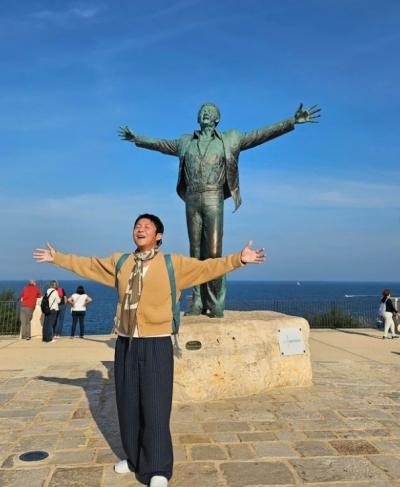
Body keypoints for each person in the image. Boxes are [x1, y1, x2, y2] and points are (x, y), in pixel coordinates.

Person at [33, 213, 265, 487]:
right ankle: (133, 459)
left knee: (155, 406)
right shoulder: (121, 262)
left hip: (157, 341)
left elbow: (206, 269)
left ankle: (157, 468)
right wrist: (58, 258)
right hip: (126, 341)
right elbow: (89, 265)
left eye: (147, 227)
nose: (140, 230)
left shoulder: (172, 263)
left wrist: (238, 259)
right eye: (137, 226)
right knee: (127, 404)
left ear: (158, 236)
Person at [118, 102, 320, 318]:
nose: (205, 113)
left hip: (214, 196)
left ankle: (215, 302)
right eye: (202, 111)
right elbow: (161, 144)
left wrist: (291, 121)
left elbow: (260, 135)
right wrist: (137, 139)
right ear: (198, 118)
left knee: (213, 252)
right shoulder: (186, 142)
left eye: (210, 112)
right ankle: (196, 301)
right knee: (195, 253)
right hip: (192, 197)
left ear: (216, 120)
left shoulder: (231, 139)